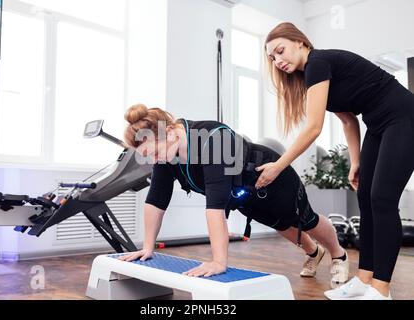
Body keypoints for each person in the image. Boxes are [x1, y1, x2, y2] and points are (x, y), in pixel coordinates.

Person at [259, 22, 414, 300]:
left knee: (381, 199)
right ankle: (365, 279)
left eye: (280, 51)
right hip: (377, 124)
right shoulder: (312, 74)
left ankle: (381, 289)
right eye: (272, 58)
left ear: (300, 42)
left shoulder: (318, 62)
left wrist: (278, 166)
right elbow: (347, 119)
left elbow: (313, 128)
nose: (278, 60)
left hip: (403, 116)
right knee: (365, 198)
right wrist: (355, 161)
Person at [118, 103, 348, 287]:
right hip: (245, 195)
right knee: (281, 225)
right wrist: (147, 247)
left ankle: (339, 255)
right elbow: (156, 200)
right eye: (148, 156)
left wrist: (219, 262)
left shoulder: (212, 139)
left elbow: (215, 207)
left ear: (169, 133)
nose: (154, 159)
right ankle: (314, 252)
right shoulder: (165, 153)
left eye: (154, 153)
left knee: (306, 221)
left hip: (273, 179)